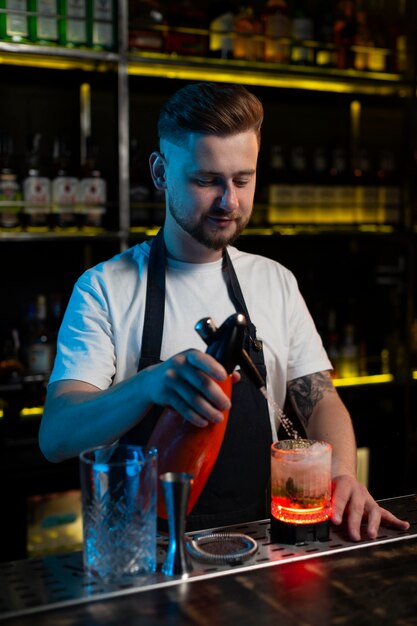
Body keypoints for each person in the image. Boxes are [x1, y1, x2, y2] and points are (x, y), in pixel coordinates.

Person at [39, 82, 409, 539]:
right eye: (206, 180)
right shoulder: (104, 288)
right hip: (144, 551)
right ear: (160, 172)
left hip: (260, 543)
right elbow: (56, 436)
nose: (229, 201)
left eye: (242, 179)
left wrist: (343, 475)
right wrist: (149, 386)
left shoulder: (275, 281)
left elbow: (321, 400)